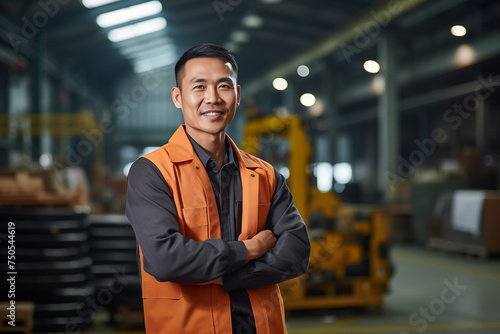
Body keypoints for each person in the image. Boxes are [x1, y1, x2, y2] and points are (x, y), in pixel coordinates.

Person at [126, 43, 310, 334]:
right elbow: (165, 259)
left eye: (223, 86)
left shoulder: (266, 175)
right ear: (178, 97)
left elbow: (296, 254)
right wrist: (248, 250)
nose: (212, 98)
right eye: (199, 87)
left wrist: (225, 276)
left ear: (237, 96)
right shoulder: (152, 172)